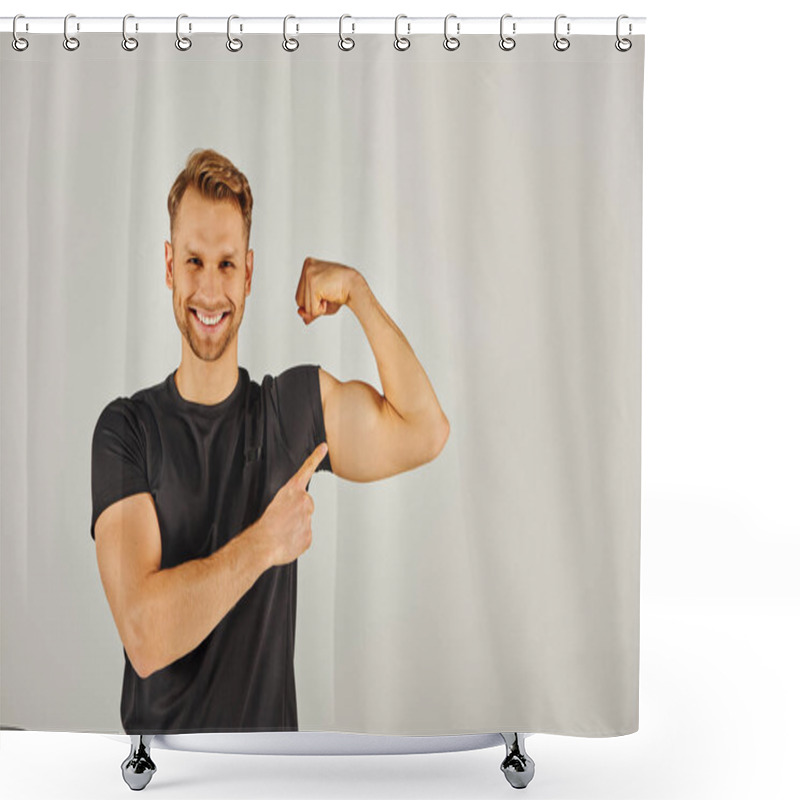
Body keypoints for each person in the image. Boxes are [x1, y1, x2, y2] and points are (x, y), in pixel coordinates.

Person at [90, 148, 449, 734]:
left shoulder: (289, 412)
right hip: (165, 776)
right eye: (194, 262)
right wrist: (264, 543)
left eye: (227, 264)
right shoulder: (126, 430)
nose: (209, 290)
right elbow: (146, 637)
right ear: (168, 266)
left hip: (273, 778)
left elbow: (425, 430)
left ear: (250, 273)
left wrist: (357, 292)